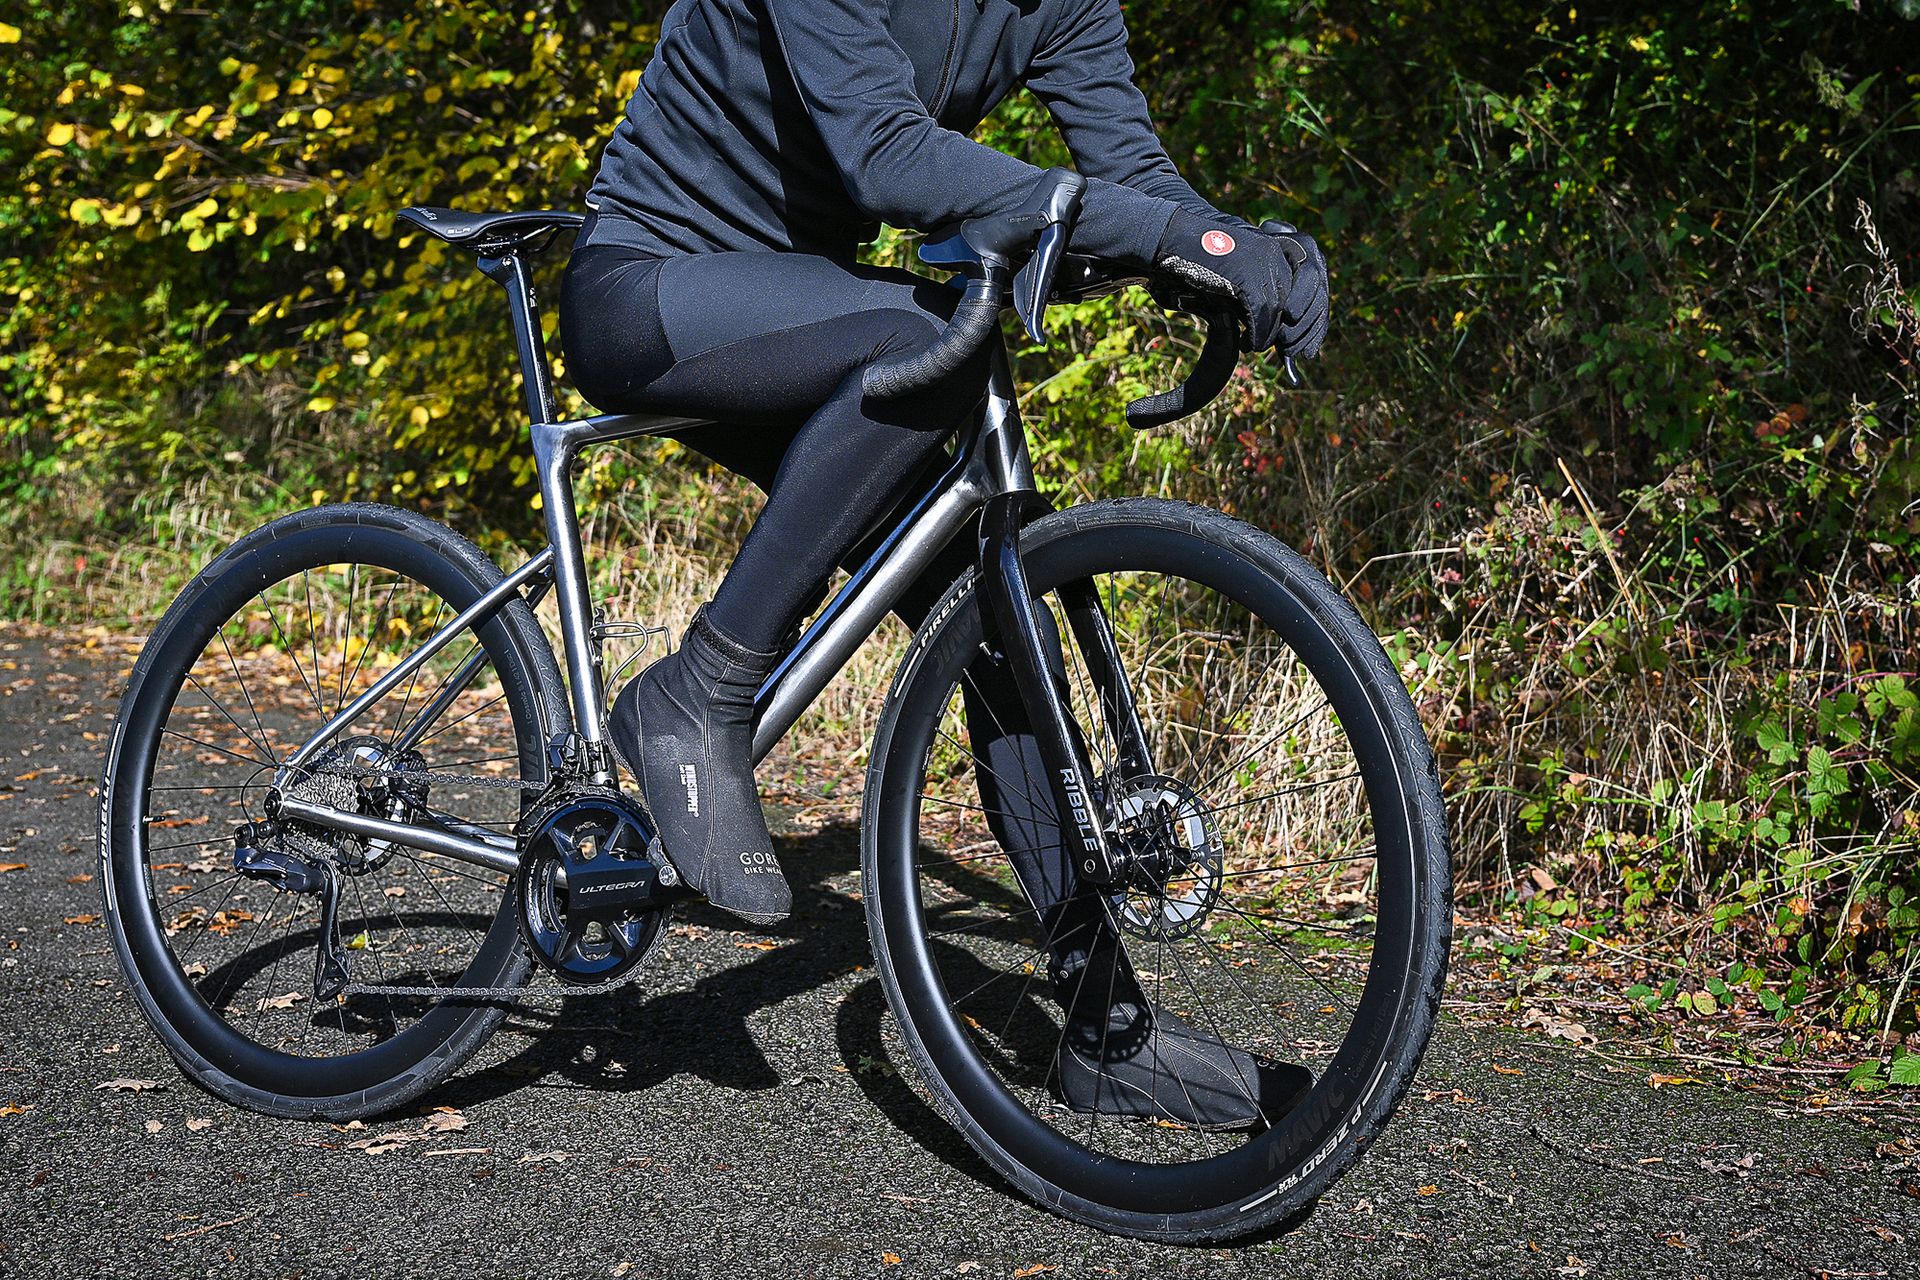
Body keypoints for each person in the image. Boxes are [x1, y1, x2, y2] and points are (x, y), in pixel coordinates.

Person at [559, 0, 1330, 1128]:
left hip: (797, 312)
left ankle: (1108, 1028)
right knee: (919, 337)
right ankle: (696, 692)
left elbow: (1130, 167)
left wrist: (1224, 249)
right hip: (650, 285)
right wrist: (1163, 234)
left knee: (997, 627)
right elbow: (885, 156)